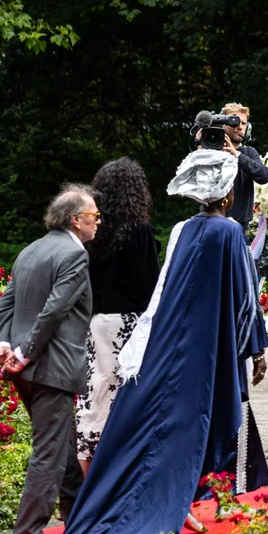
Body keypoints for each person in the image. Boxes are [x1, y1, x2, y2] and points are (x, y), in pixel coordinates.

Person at [54, 149, 268, 534]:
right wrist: (255, 346)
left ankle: (110, 491)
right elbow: (244, 295)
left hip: (136, 330)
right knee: (202, 416)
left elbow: (165, 289)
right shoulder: (227, 233)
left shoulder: (180, 230)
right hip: (198, 336)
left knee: (102, 407)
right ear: (227, 194)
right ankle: (186, 497)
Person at [0, 187, 99, 534]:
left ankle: (80, 518)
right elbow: (54, 310)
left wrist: (4, 346)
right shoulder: (73, 253)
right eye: (93, 216)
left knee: (64, 446)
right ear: (75, 219)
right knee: (50, 452)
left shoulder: (31, 249)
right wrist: (23, 351)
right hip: (49, 365)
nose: (97, 222)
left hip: (26, 368)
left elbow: (6, 303)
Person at [74, 159, 162, 467]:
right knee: (128, 402)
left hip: (95, 322)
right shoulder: (140, 233)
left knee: (94, 397)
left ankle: (88, 479)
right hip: (129, 324)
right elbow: (152, 288)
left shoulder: (91, 233)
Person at [216, 102, 268, 234]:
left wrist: (236, 155)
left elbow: (264, 176)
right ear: (222, 123)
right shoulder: (211, 152)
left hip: (240, 229)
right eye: (234, 122)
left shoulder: (249, 152)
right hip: (213, 225)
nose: (240, 127)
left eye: (244, 123)